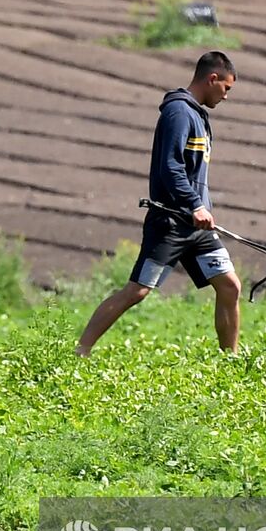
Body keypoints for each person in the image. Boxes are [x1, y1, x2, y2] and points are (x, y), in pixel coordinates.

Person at [75, 51, 241, 357]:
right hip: (171, 223)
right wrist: (195, 205)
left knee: (230, 285)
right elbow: (170, 167)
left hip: (197, 225)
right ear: (212, 78)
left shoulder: (198, 116)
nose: (226, 96)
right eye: (227, 88)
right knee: (137, 291)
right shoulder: (178, 113)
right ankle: (81, 350)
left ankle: (230, 361)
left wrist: (201, 208)